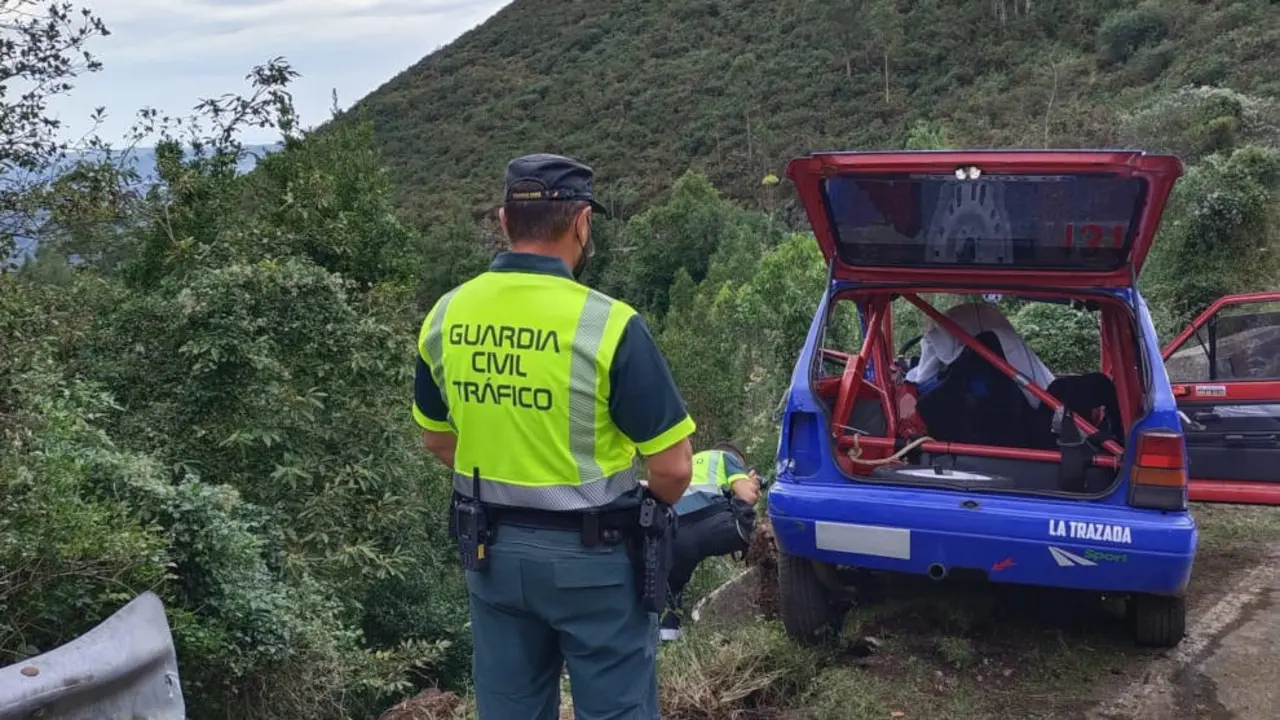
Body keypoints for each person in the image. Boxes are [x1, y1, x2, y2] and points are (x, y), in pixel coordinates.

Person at [413, 153, 696, 720]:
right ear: (581, 224)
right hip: (596, 561)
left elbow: (439, 441)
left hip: (491, 555)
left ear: (503, 221)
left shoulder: (447, 315)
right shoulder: (609, 324)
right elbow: (674, 469)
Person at [659, 441, 760, 641]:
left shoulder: (689, 462)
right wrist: (752, 486)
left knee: (671, 586)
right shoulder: (726, 458)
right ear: (737, 458)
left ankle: (668, 636)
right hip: (714, 526)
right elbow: (747, 495)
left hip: (676, 533)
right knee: (753, 532)